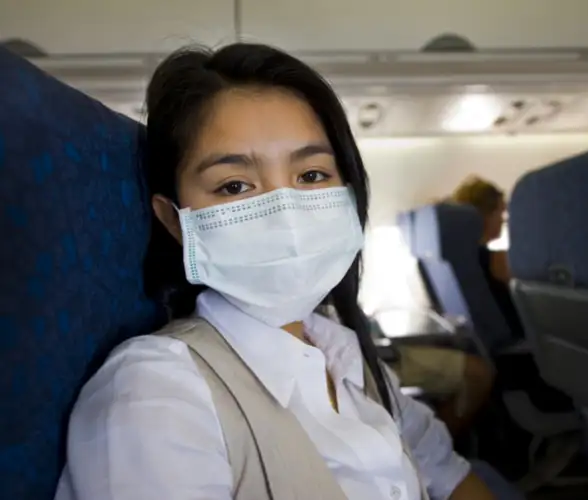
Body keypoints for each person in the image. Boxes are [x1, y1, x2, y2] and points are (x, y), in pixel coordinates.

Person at [55, 44, 524, 500]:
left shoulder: (346, 354)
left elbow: (443, 470)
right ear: (175, 221)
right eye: (234, 185)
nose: (286, 214)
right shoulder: (155, 395)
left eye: (312, 176)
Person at [452, 177, 523, 339]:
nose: (504, 219)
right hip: (519, 344)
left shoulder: (460, 258)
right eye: (501, 212)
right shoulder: (498, 260)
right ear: (484, 215)